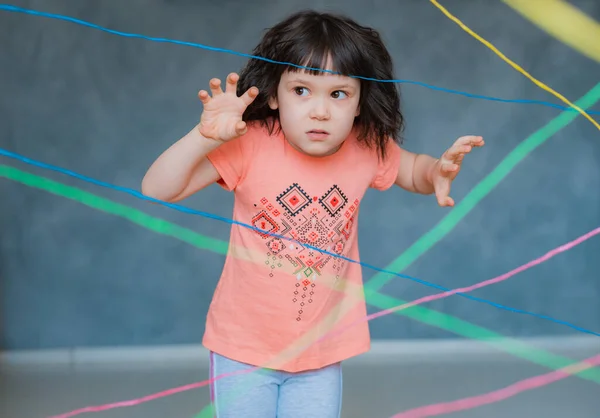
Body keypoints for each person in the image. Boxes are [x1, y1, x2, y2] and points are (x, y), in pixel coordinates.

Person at [141, 9, 484, 418]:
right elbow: (157, 188)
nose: (320, 111)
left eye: (338, 94)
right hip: (243, 350)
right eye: (301, 90)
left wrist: (437, 171)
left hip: (320, 351)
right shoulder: (249, 144)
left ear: (359, 103)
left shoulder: (366, 147)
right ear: (273, 95)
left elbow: (412, 170)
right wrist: (202, 138)